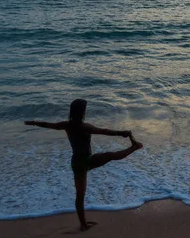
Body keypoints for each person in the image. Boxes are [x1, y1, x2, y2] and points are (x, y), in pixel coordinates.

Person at [24, 98, 142, 231]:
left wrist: (33, 123)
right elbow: (104, 131)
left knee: (80, 196)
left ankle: (83, 224)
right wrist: (121, 133)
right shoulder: (85, 127)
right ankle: (134, 147)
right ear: (82, 112)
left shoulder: (66, 125)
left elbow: (48, 124)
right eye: (85, 110)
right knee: (111, 156)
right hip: (87, 160)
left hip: (76, 163)